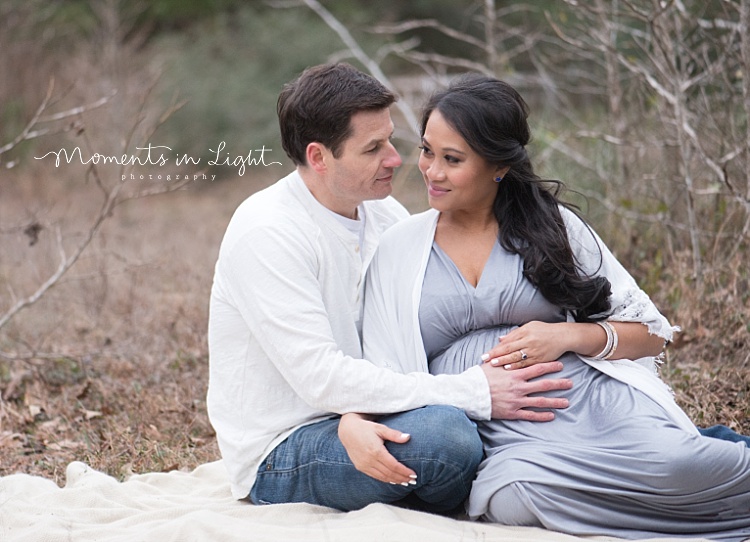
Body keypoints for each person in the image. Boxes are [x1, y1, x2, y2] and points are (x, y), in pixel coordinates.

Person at [362, 73, 750, 540]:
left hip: (595, 402)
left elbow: (649, 331)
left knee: (681, 463)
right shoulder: (399, 247)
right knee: (516, 498)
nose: (431, 170)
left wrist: (568, 335)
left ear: (498, 166)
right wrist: (465, 390)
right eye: (427, 151)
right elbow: (381, 368)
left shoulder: (553, 227)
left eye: (453, 159)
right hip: (500, 432)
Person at [206, 63, 574, 514]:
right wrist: (472, 391)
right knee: (447, 440)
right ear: (319, 157)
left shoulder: (386, 215)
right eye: (373, 148)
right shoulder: (267, 232)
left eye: (392, 140)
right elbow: (321, 379)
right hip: (288, 442)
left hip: (374, 409)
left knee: (533, 417)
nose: (396, 159)